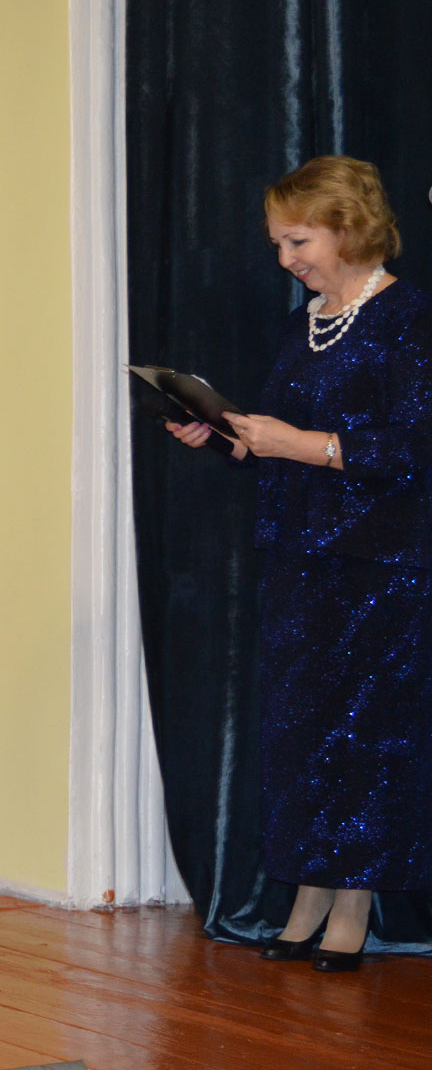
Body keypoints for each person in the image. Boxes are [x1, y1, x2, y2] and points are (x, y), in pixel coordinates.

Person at [167, 154, 432, 971]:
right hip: (300, 557)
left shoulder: (410, 316)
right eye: (279, 244)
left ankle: (352, 904)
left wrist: (303, 444)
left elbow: (413, 447)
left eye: (298, 241)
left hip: (380, 564)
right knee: (302, 732)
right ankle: (307, 893)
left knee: (366, 734)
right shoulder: (304, 323)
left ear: (348, 229)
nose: (286, 259)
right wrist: (228, 436)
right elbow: (283, 443)